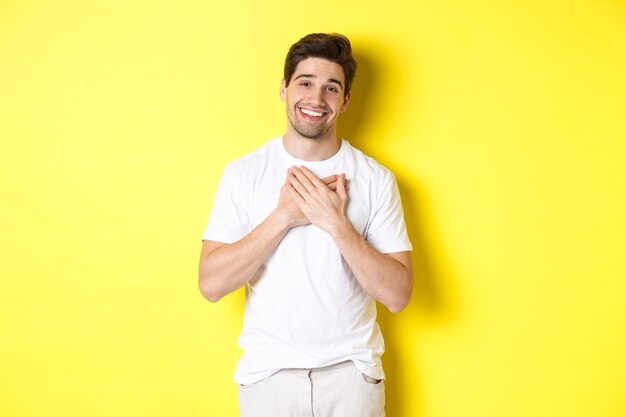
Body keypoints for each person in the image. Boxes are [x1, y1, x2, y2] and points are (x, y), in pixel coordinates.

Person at [198, 33, 413, 417]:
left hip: (351, 379)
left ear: (345, 100)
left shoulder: (376, 179)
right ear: (284, 88)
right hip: (268, 380)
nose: (316, 99)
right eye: (305, 82)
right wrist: (285, 216)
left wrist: (335, 223)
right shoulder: (243, 174)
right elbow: (211, 284)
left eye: (331, 88)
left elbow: (397, 295)